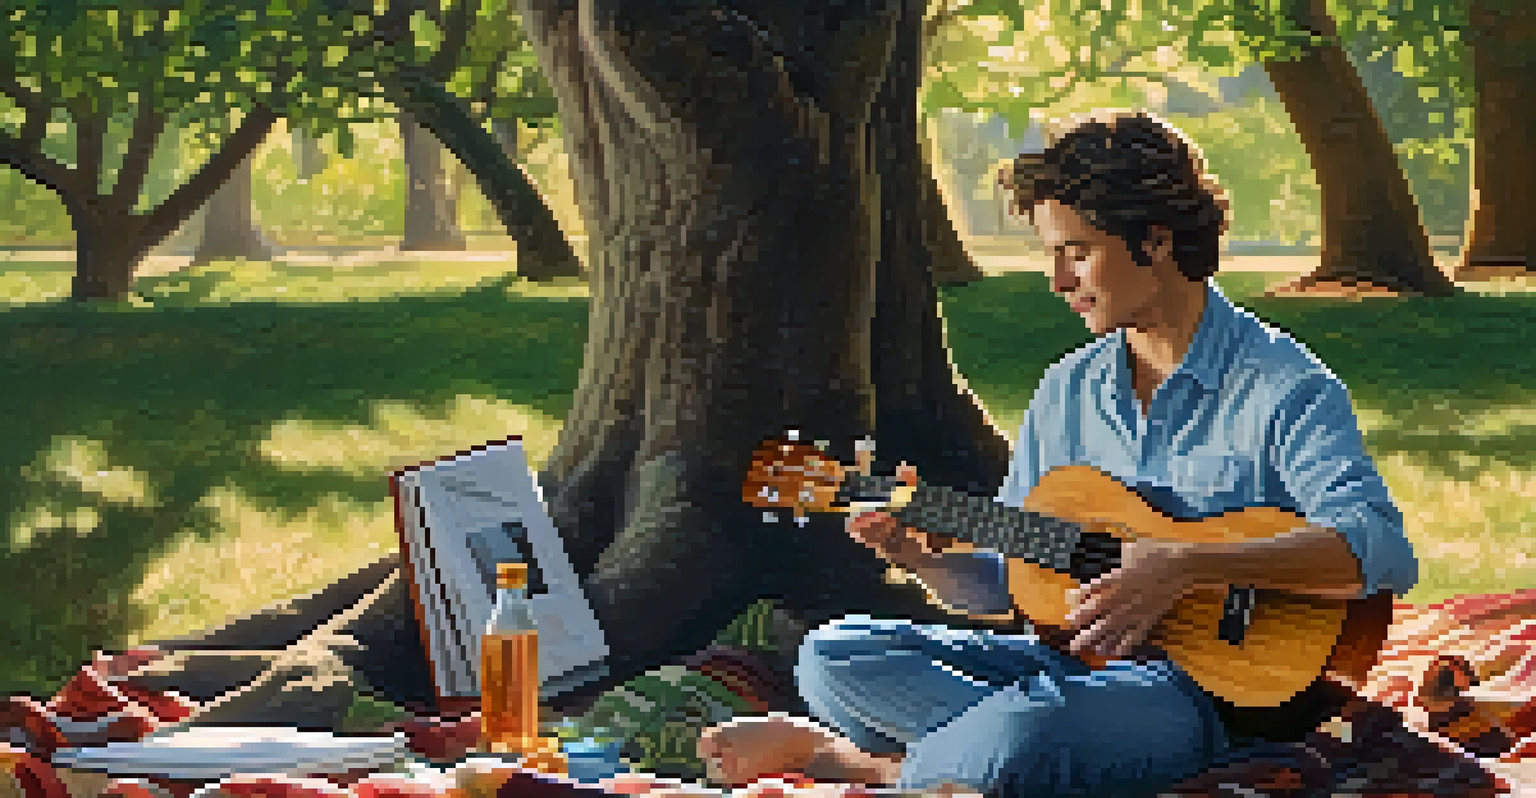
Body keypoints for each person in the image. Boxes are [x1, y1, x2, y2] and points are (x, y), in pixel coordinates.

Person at [696, 109, 1419, 797]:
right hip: (1071, 665)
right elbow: (1014, 584)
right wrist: (923, 558)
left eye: (1078, 253)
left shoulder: (1281, 385)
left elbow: (1382, 550)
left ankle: (855, 762)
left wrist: (1190, 565)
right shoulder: (1069, 389)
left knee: (1027, 729)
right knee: (832, 655)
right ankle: (983, 758)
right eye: (1053, 255)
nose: (1058, 282)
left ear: (1158, 240)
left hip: (1210, 692)